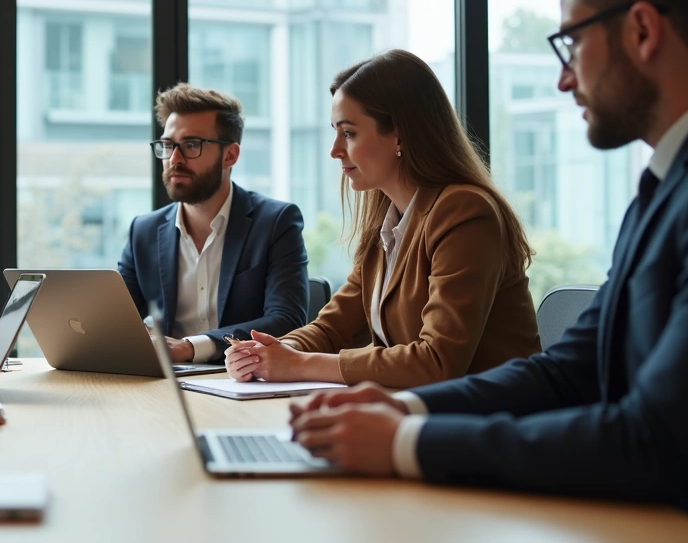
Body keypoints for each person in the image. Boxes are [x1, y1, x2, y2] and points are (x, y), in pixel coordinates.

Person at [288, 0, 688, 511]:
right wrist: (401, 407)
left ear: (641, 30)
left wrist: (407, 441)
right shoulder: (659, 194)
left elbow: (655, 438)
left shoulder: (468, 210)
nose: (563, 78)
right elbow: (565, 373)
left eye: (571, 42)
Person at [224, 50, 541, 388]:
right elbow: (332, 328)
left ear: (399, 135)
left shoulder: (465, 212)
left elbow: (436, 362)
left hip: (492, 424)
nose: (334, 149)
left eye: (348, 133)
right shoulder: (387, 224)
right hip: (423, 416)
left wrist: (299, 364)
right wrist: (273, 351)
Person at [117, 83, 309, 364]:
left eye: (191, 145)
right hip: (168, 386)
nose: (174, 159)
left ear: (229, 155)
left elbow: (286, 320)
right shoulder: (143, 231)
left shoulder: (276, 222)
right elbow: (114, 319)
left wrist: (191, 347)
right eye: (168, 146)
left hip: (243, 382)